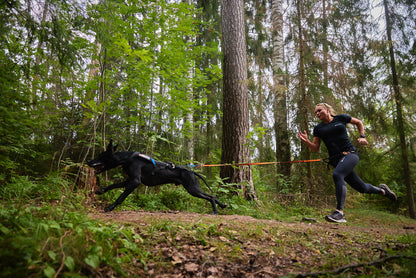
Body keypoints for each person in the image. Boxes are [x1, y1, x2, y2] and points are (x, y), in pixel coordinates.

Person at [298, 103, 397, 223]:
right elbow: (315, 148)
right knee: (362, 187)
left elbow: (359, 122)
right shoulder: (318, 129)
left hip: (350, 154)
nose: (317, 114)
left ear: (328, 110)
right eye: (315, 112)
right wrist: (307, 141)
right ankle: (383, 191)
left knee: (337, 175)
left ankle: (339, 213)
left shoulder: (341, 118)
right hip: (337, 160)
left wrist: (363, 136)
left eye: (319, 110)